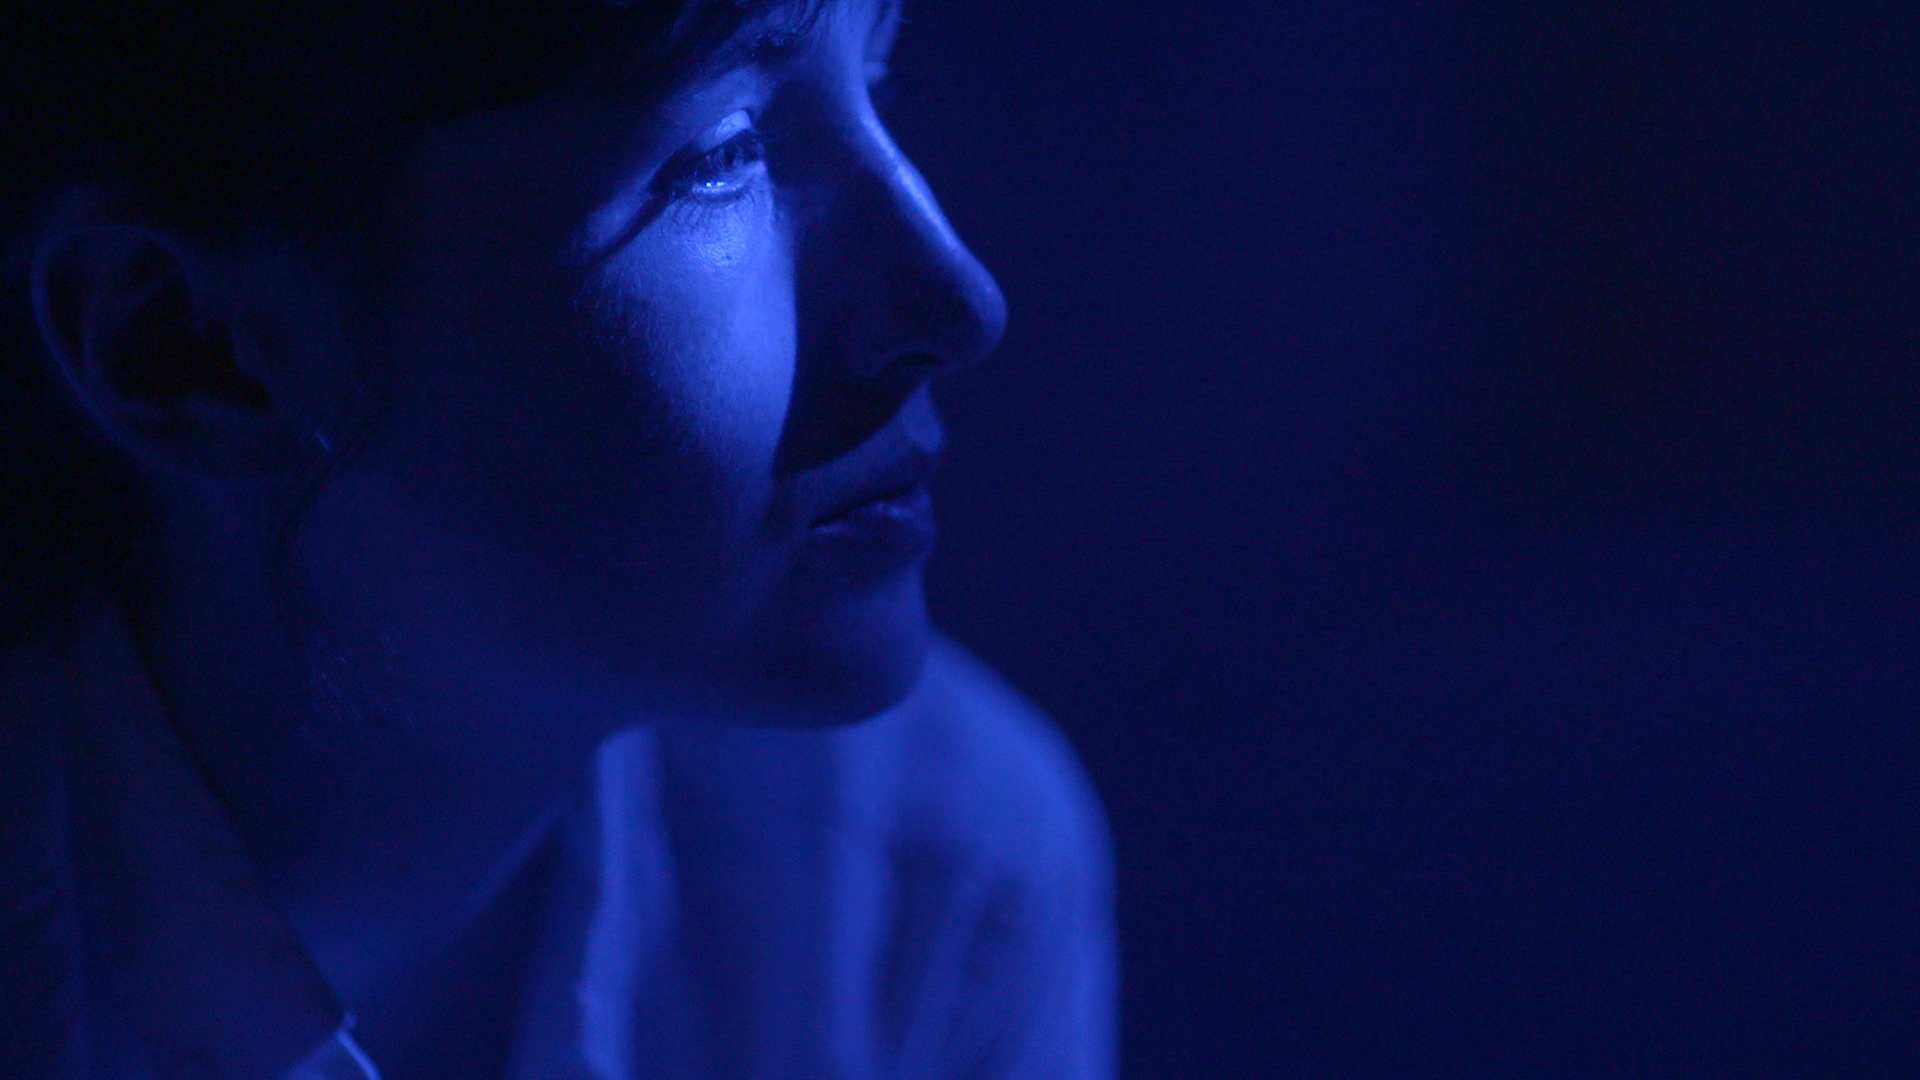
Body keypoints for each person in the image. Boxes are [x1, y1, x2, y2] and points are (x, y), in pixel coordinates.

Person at [0, 1, 1116, 1077]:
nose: (955, 301)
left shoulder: (923, 896)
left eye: (877, 73)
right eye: (719, 156)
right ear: (193, 351)